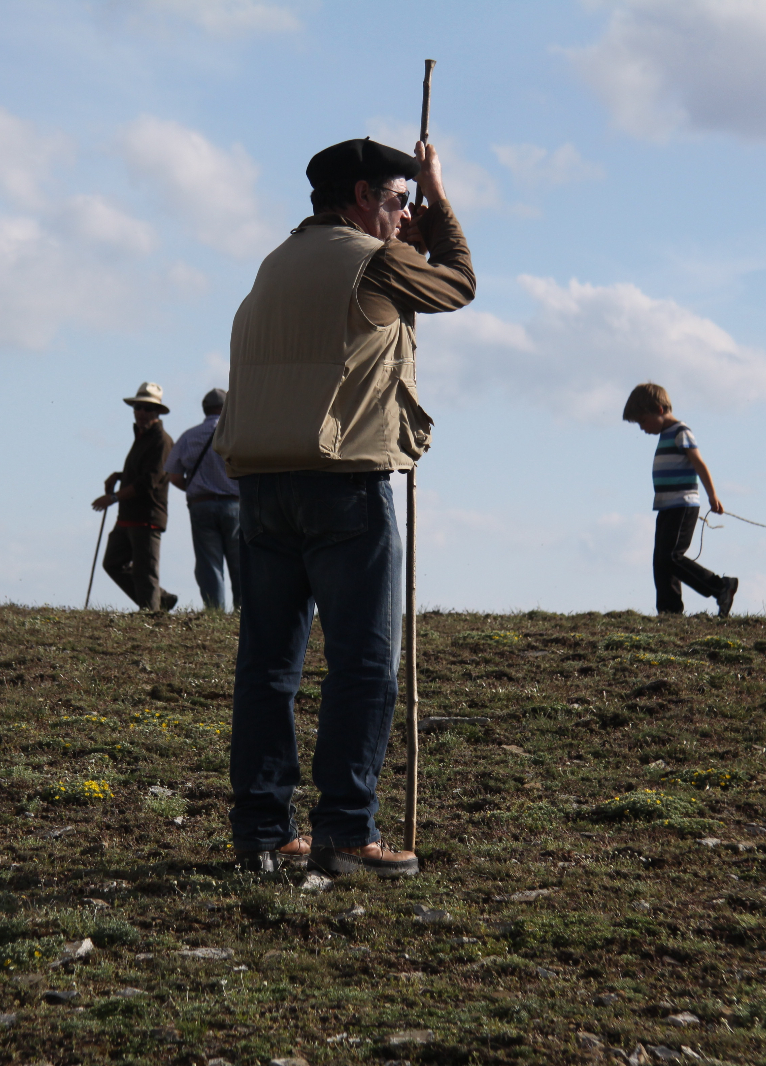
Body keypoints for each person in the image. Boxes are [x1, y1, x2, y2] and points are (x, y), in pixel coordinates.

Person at [213, 137, 474, 878]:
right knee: (363, 664)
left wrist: (406, 238)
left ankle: (263, 831)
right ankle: (345, 831)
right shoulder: (374, 257)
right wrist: (442, 204)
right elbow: (458, 285)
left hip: (262, 483)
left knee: (268, 666)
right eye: (397, 200)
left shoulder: (276, 263)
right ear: (361, 196)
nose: (403, 214)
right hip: (345, 482)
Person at [621, 383, 740, 618]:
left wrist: (712, 495)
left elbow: (698, 463)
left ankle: (720, 586)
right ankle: (669, 612)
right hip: (666, 507)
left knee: (671, 556)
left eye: (643, 420)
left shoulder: (680, 431)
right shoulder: (666, 434)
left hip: (683, 505)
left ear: (659, 409)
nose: (642, 428)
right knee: (660, 561)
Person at [93, 383, 178, 612]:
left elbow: (148, 481)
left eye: (148, 409)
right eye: (138, 407)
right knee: (112, 563)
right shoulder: (142, 438)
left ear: (157, 413)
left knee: (145, 571)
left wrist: (112, 498)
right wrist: (119, 475)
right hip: (129, 515)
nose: (142, 412)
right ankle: (159, 601)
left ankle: (151, 615)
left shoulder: (161, 440)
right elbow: (141, 473)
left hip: (147, 516)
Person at [166, 388, 241, 612]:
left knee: (210, 563)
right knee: (240, 562)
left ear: (204, 409)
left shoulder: (189, 436)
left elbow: (174, 475)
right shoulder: (238, 433)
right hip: (235, 504)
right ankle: (243, 610)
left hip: (202, 505)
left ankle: (215, 610)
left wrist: (195, 489)